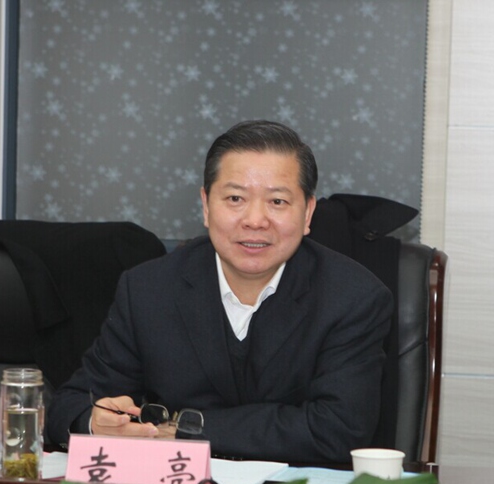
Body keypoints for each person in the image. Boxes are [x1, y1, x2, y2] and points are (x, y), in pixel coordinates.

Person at [47, 120, 393, 464]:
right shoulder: (148, 290)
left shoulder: (352, 298)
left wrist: (185, 430)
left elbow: (337, 431)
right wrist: (96, 422)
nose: (255, 220)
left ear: (307, 214)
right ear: (206, 205)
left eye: (277, 201)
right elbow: (70, 405)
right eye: (235, 198)